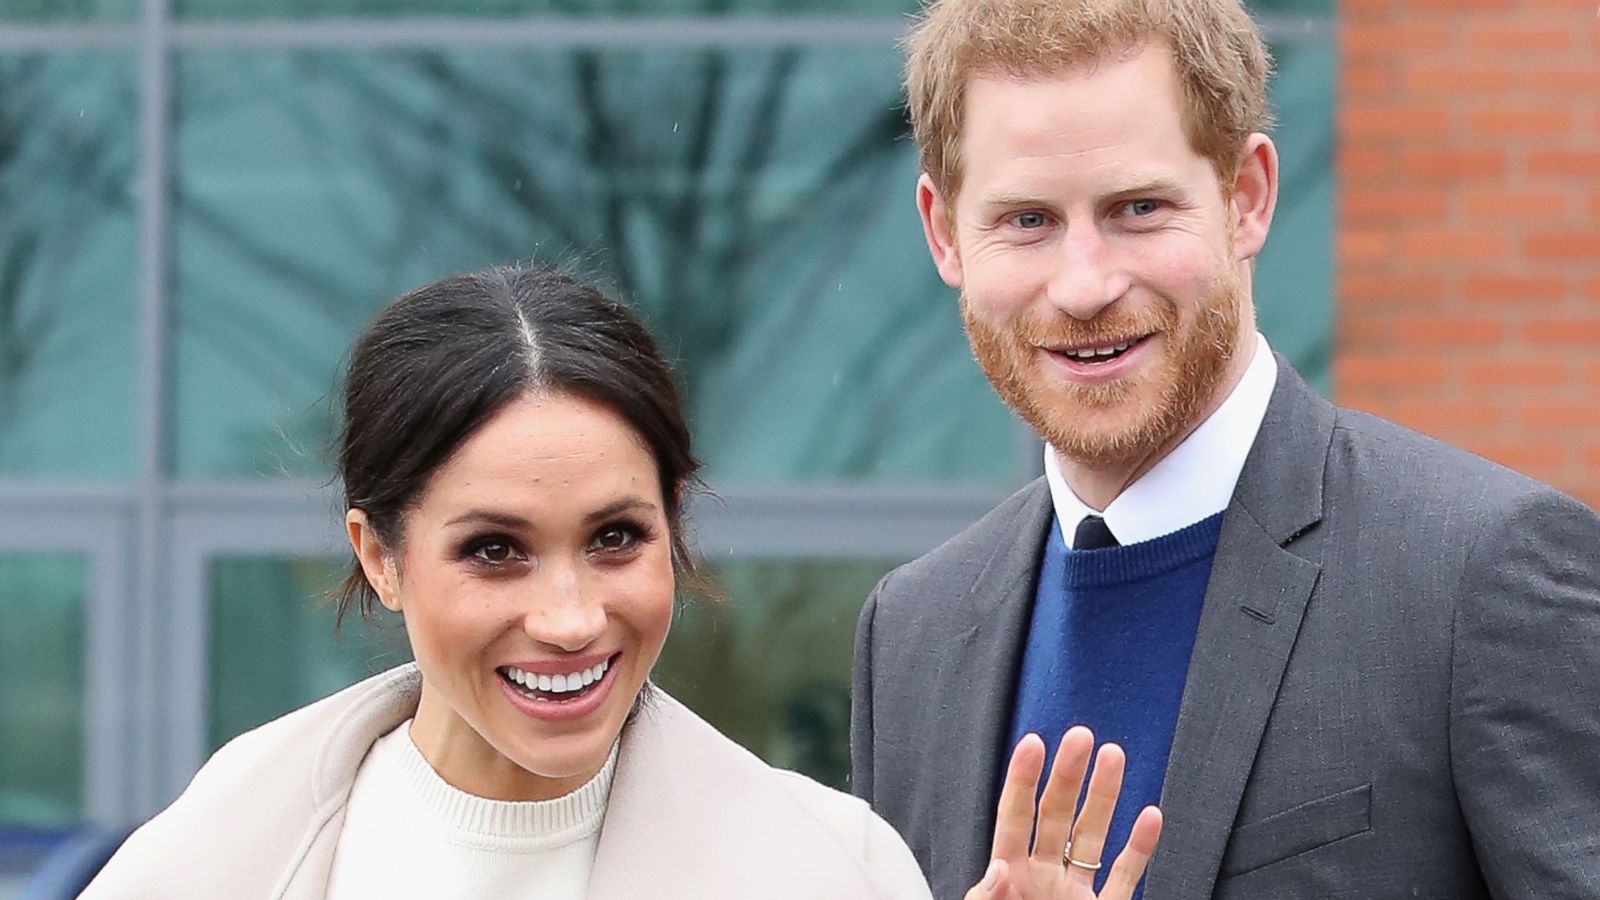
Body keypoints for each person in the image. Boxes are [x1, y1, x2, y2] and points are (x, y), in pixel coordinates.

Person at [81, 263, 1159, 899]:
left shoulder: (834, 872)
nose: (568, 616)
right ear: (379, 555)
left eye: (614, 538)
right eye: (494, 549)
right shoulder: (203, 865)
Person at [850, 0, 1600, 898]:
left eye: (1138, 207)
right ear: (943, 231)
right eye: (1026, 221)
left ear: (1246, 196)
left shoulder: (1479, 576)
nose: (1085, 284)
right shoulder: (911, 634)